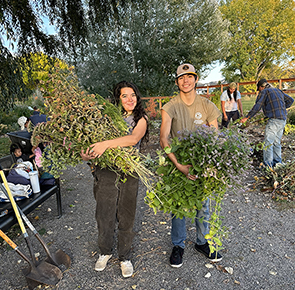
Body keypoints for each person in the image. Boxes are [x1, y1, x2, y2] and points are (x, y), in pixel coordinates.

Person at [80, 81, 148, 278]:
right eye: (124, 96)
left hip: (130, 171)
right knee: (104, 213)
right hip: (106, 171)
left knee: (126, 214)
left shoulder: (140, 119)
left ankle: (124, 256)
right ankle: (105, 251)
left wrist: (104, 144)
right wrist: (87, 154)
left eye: (133, 95)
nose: (130, 99)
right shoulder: (106, 119)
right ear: (117, 99)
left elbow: (133, 139)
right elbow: (89, 147)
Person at [160, 63, 223, 268]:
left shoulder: (207, 105)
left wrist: (207, 164)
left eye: (189, 77)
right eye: (181, 77)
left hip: (202, 163)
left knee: (202, 204)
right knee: (178, 205)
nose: (185, 81)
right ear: (177, 82)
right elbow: (164, 138)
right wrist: (178, 164)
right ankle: (178, 245)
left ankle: (202, 242)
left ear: (196, 79)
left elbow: (215, 135)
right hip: (178, 162)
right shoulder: (170, 106)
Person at [240, 79, 294, 167]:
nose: (259, 91)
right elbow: (290, 100)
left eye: (259, 89)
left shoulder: (265, 91)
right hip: (283, 119)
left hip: (274, 120)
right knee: (277, 142)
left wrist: (247, 117)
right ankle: (277, 163)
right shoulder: (277, 90)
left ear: (261, 87)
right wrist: (282, 108)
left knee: (268, 143)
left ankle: (268, 165)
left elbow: (258, 106)